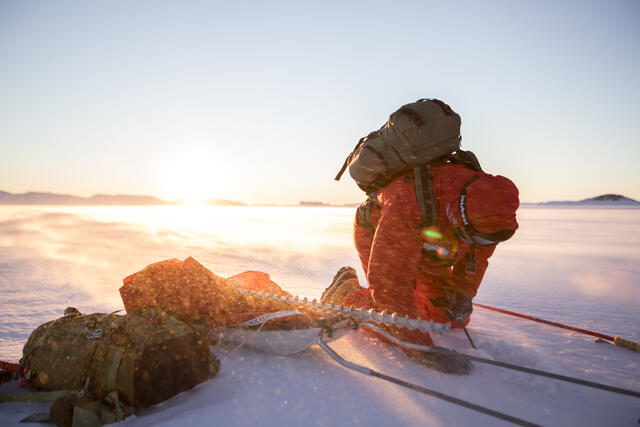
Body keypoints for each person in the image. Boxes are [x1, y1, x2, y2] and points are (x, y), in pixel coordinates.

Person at [322, 100, 519, 373]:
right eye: (475, 237)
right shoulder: (408, 202)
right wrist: (421, 349)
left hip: (431, 242)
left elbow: (477, 255)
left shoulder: (488, 210)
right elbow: (389, 285)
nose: (481, 243)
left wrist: (462, 293)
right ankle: (347, 294)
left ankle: (422, 302)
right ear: (458, 216)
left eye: (488, 240)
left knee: (447, 318)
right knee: (394, 319)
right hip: (381, 230)